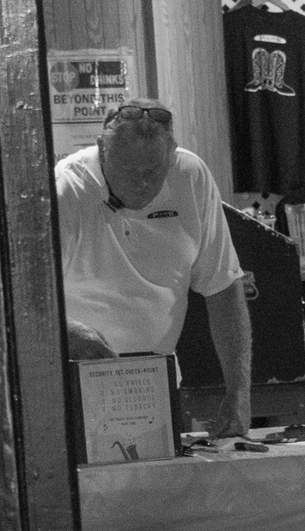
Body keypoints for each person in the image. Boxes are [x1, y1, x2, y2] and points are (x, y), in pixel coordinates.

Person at [55, 102, 253, 434]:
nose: (142, 183)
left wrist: (239, 393)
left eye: (153, 171)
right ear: (102, 150)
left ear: (172, 155)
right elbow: (23, 308)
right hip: (75, 388)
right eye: (128, 169)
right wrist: (65, 333)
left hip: (157, 386)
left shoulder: (191, 176)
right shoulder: (66, 190)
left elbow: (223, 288)